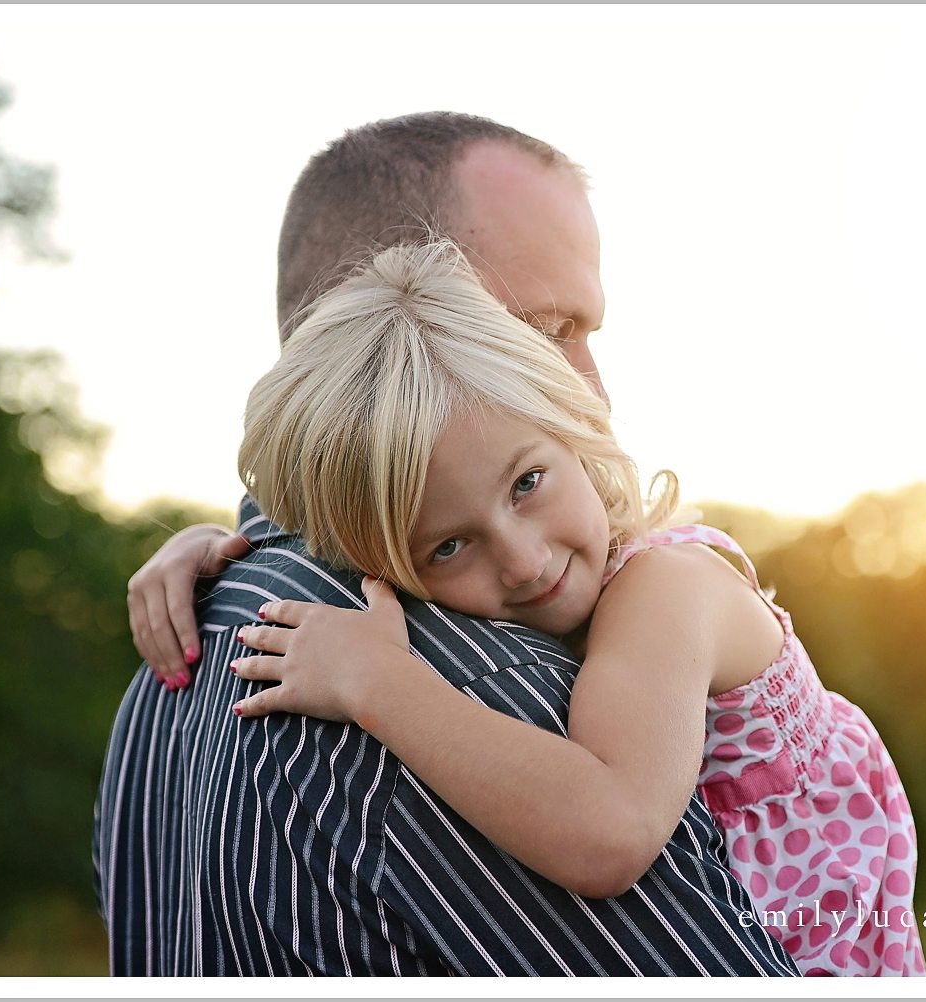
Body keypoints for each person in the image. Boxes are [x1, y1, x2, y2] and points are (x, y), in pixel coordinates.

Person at [93, 113, 799, 976]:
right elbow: (611, 838)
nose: (595, 393)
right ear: (395, 310)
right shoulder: (465, 689)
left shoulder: (184, 650)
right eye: (544, 330)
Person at [227, 238, 926, 976]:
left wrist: (377, 683)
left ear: (576, 429)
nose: (525, 561)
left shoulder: (669, 591)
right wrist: (210, 549)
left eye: (527, 482)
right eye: (447, 547)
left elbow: (611, 832)